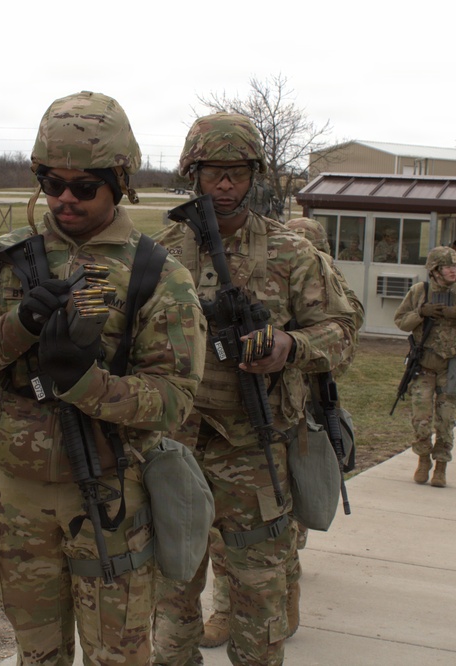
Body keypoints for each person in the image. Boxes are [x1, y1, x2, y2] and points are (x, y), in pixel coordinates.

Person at [0, 91, 206, 665]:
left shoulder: (158, 275)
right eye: (51, 182)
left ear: (120, 183)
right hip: (21, 500)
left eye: (84, 187)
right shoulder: (3, 262)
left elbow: (174, 402)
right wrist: (18, 326)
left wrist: (83, 384)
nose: (63, 199)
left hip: (112, 499)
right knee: (36, 654)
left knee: (120, 656)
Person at [152, 113, 357, 666]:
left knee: (260, 599)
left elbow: (341, 329)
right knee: (170, 593)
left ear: (254, 175)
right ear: (192, 173)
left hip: (255, 447)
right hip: (175, 446)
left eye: (237, 172)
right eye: (213, 172)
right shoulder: (154, 253)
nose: (225, 185)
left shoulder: (291, 252)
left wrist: (291, 348)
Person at [394, 247, 456, 488]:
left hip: (451, 368)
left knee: (446, 420)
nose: (453, 271)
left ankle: (441, 466)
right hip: (424, 367)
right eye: (448, 267)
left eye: (455, 267)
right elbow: (401, 322)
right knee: (421, 419)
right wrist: (420, 313)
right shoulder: (419, 292)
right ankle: (423, 460)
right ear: (435, 270)